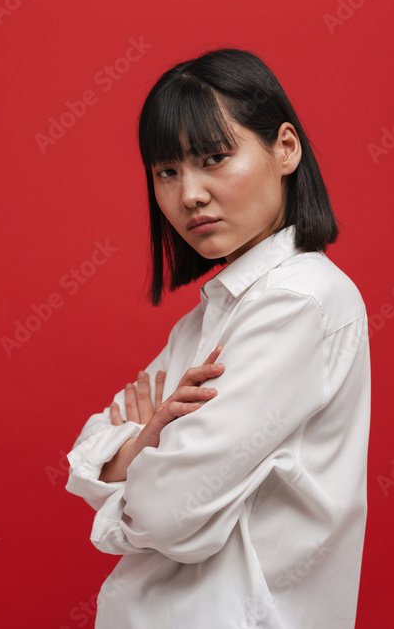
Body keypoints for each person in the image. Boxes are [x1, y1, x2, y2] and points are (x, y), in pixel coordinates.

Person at [65, 48, 371, 628]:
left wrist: (130, 463)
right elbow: (88, 454)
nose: (190, 195)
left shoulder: (298, 302)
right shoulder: (208, 319)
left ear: (285, 148)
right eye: (167, 172)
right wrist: (139, 445)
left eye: (214, 158)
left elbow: (169, 513)